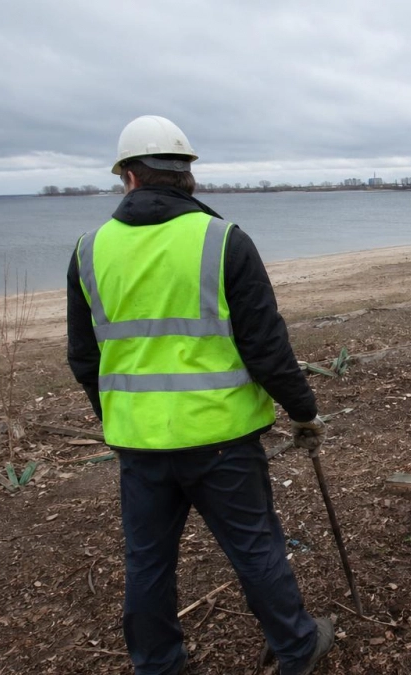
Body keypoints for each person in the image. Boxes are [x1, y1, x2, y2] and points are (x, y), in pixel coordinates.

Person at [66, 115, 334, 675]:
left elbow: (84, 358)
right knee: (255, 550)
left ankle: (158, 665)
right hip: (222, 439)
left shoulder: (89, 250)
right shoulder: (223, 240)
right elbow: (266, 347)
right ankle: (295, 648)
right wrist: (304, 411)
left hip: (138, 443)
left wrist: (118, 414)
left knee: (147, 563)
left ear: (130, 178)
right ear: (187, 174)